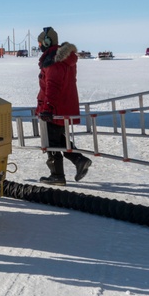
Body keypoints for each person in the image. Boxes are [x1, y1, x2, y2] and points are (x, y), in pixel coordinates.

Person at [36, 26, 92, 185]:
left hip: (54, 109)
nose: (39, 46)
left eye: (40, 43)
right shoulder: (63, 59)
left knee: (51, 142)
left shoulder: (54, 61)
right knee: (59, 138)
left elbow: (52, 85)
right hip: (63, 106)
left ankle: (58, 175)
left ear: (47, 42)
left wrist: (47, 108)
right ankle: (79, 161)